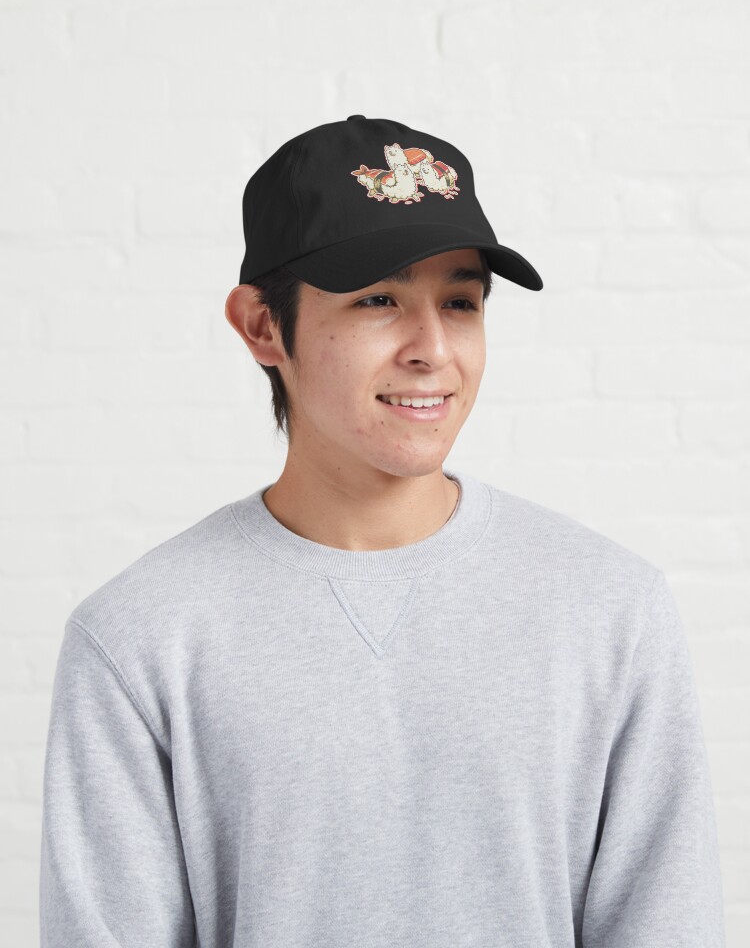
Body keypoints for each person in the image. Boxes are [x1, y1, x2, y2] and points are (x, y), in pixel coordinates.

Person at [40, 115, 726, 947]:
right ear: (262, 325)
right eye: (378, 299)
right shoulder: (140, 638)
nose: (432, 348)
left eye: (461, 302)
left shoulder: (610, 609)